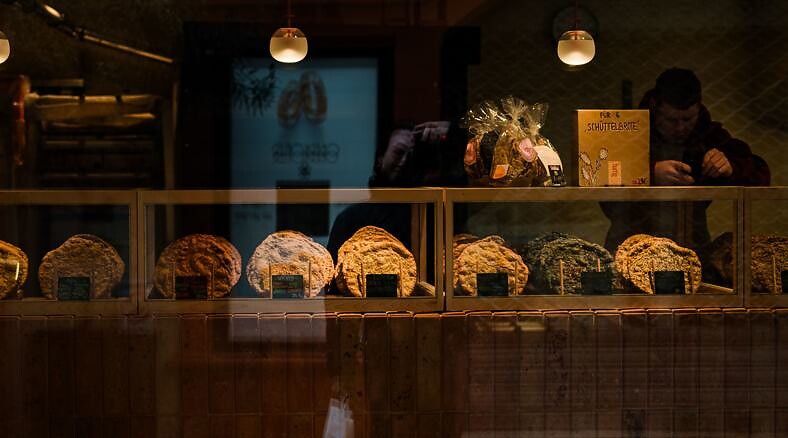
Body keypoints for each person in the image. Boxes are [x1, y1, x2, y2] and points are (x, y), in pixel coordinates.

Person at [602, 67, 770, 254]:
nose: (680, 128)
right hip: (630, 246)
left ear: (698, 108)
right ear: (655, 108)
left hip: (691, 245)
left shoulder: (707, 134)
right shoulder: (629, 132)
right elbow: (598, 176)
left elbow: (761, 173)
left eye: (688, 119)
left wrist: (730, 166)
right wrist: (648, 173)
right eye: (671, 120)